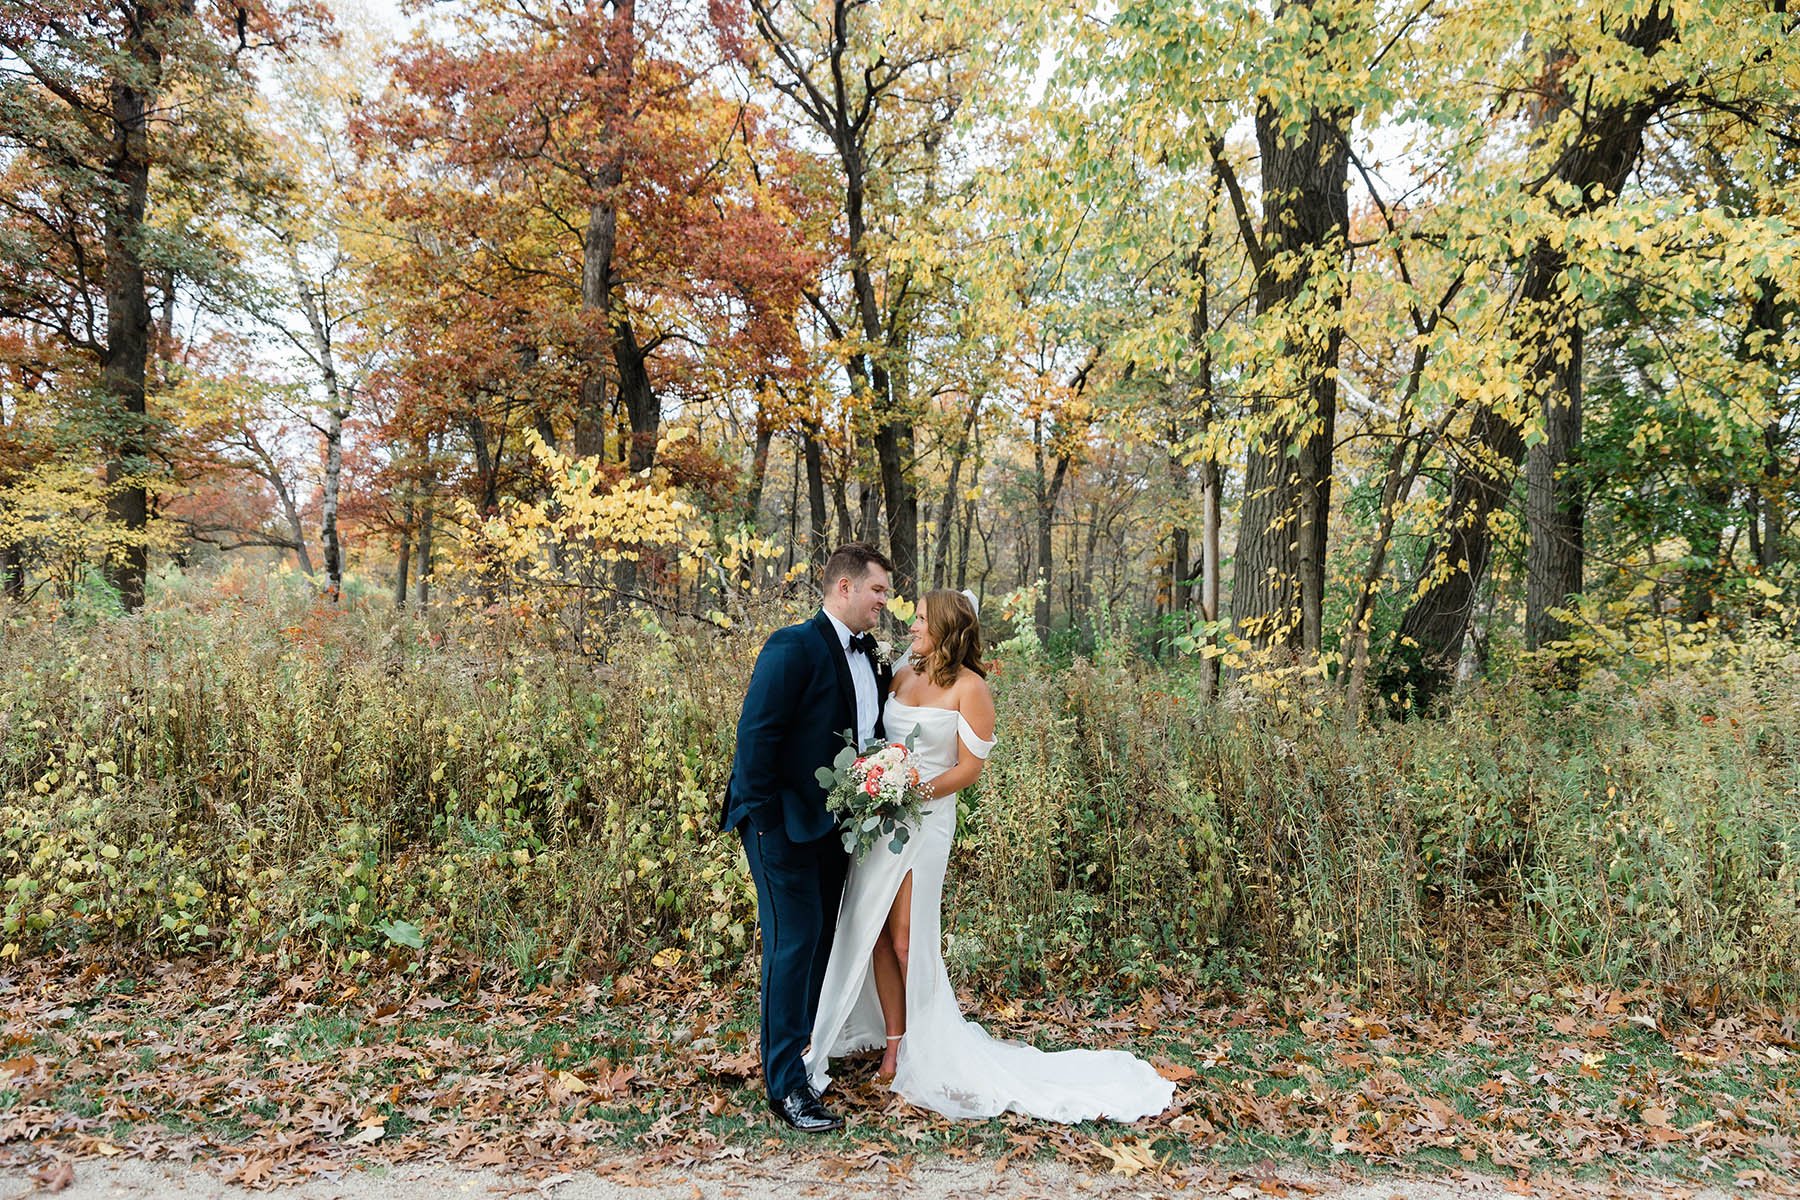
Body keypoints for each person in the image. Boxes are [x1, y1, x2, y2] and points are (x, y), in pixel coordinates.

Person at [804, 589, 1174, 1123]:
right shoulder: (903, 674)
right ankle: (892, 1037)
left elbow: (968, 769)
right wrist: (876, 781)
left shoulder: (972, 689)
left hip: (926, 821)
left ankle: (918, 1046)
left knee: (908, 941)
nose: (912, 627)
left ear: (948, 627)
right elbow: (878, 738)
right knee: (876, 930)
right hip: (880, 818)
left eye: (923, 620)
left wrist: (911, 791)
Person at [720, 543, 894, 1133]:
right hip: (780, 824)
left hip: (836, 828)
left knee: (818, 943)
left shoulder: (873, 656)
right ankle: (785, 1088)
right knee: (792, 945)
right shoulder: (791, 646)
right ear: (844, 588)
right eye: (877, 592)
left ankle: (803, 1059)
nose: (883, 604)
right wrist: (764, 821)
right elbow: (756, 740)